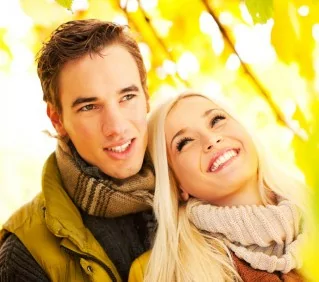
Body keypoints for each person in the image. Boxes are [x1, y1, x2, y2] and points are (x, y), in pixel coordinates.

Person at [0, 19, 155, 281]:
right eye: (89, 107)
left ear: (146, 95)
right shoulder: (25, 251)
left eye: (127, 97)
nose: (116, 127)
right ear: (57, 119)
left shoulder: (198, 188)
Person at [129, 92, 308, 282]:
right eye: (185, 142)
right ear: (176, 184)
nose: (211, 139)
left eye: (216, 120)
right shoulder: (159, 274)